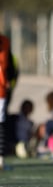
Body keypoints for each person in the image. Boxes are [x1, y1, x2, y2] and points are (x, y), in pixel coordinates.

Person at [0, 33, 12, 170]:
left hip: (1, 89)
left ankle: (1, 158)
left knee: (0, 123)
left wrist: (9, 81)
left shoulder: (5, 41)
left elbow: (10, 65)